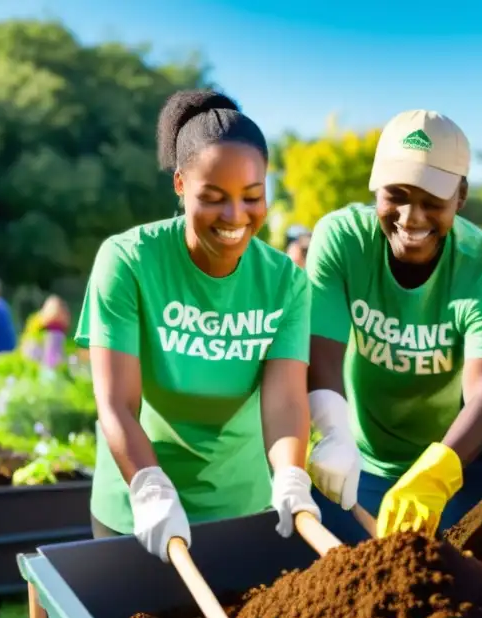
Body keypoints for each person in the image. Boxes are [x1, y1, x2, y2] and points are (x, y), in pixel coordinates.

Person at [75, 89, 320, 561]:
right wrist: (148, 489)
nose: (235, 217)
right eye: (213, 198)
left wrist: (291, 476)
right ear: (180, 184)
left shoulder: (285, 282)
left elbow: (286, 401)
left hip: (241, 509)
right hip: (137, 506)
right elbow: (116, 401)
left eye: (252, 197)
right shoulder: (129, 261)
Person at [304, 109, 482, 539]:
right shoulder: (343, 241)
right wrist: (331, 431)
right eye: (395, 194)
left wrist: (436, 477)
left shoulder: (481, 264)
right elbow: (319, 351)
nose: (411, 217)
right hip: (365, 456)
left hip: (461, 456)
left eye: (432, 201)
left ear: (461, 195)